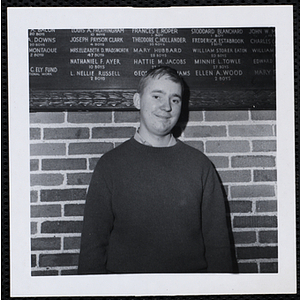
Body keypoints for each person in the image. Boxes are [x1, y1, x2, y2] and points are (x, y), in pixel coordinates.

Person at [78, 66, 233, 274]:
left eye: (175, 99)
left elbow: (218, 248)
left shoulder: (200, 165)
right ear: (137, 101)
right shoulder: (109, 165)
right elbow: (92, 250)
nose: (166, 106)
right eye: (157, 96)